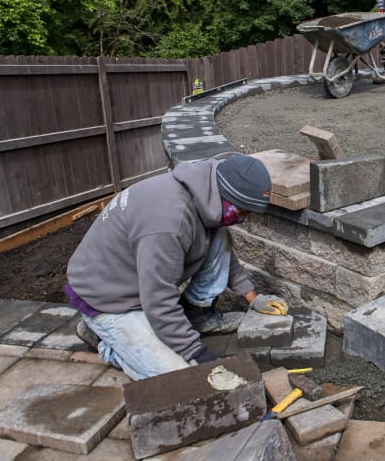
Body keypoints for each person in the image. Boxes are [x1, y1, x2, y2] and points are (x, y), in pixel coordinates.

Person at [65, 154, 289, 380]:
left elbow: (222, 251)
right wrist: (197, 353)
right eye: (242, 211)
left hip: (141, 284)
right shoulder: (169, 223)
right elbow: (159, 299)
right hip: (109, 299)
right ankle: (107, 343)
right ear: (226, 195)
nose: (243, 219)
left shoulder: (206, 193)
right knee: (178, 377)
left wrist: (252, 297)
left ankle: (197, 317)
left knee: (219, 237)